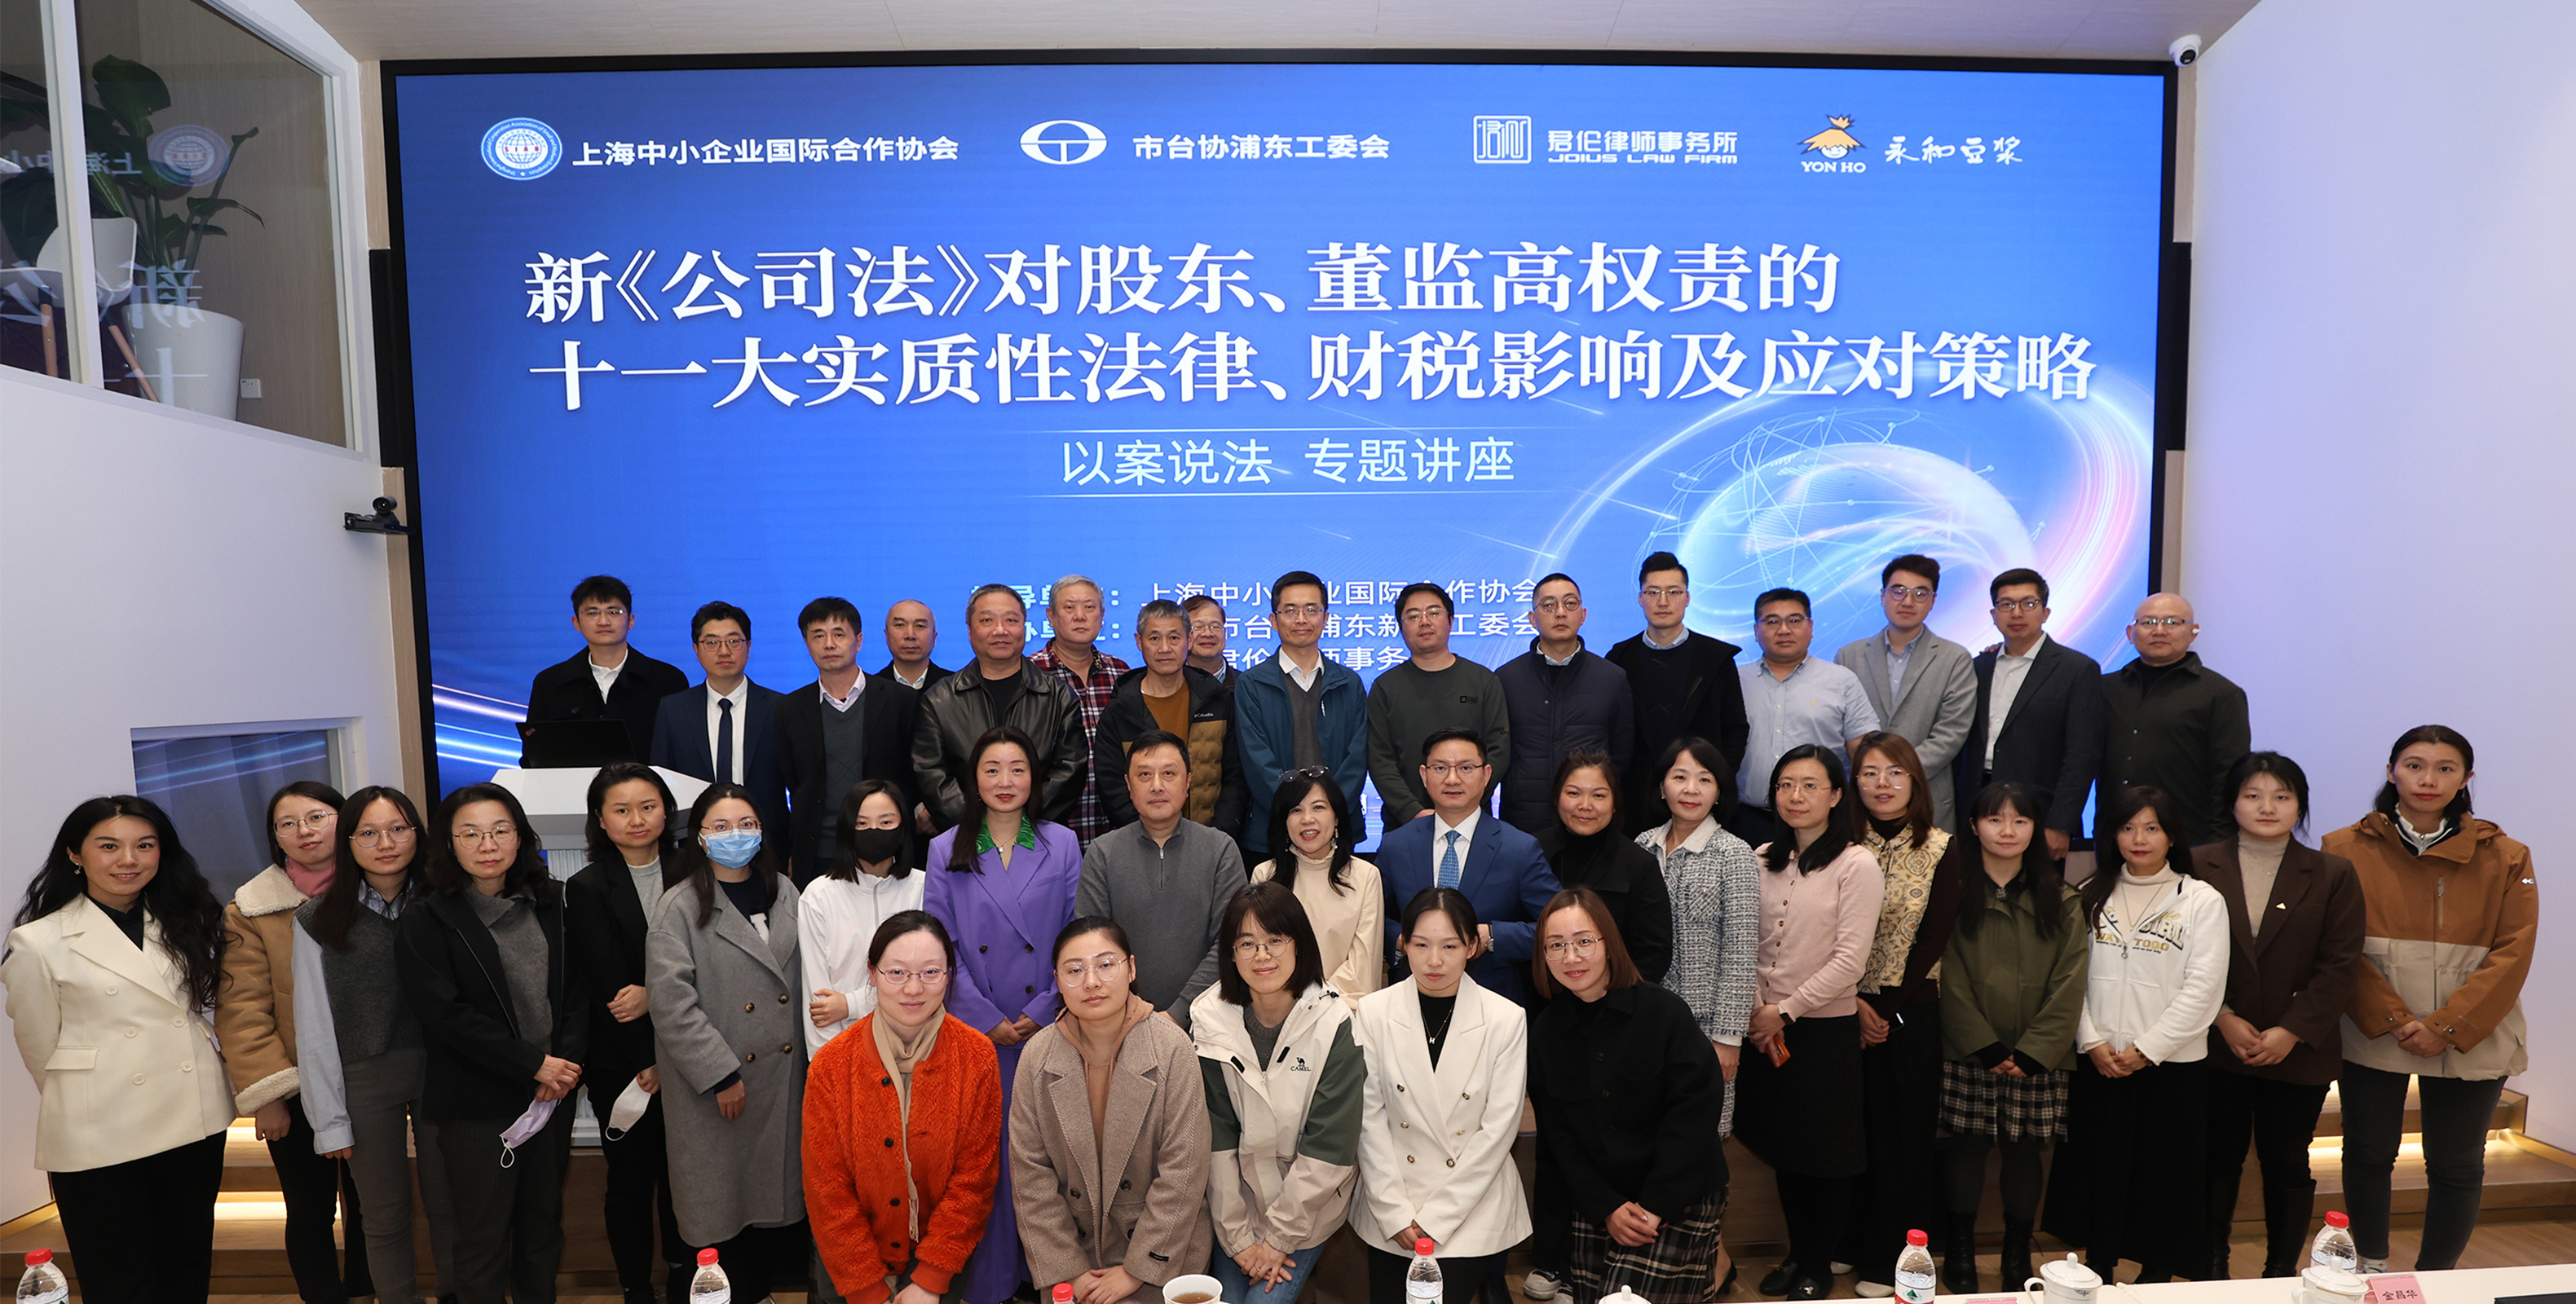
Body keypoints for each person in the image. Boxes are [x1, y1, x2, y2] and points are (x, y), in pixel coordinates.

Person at [3, 796, 232, 1303]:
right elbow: (40, 1047)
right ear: (75, 854)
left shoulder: (185, 918)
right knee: (118, 1274)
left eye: (144, 846)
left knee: (187, 1262)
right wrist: (86, 1093)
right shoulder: (37, 941)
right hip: (97, 1127)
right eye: (109, 846)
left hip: (193, 1113)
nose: (128, 859)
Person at [2327, 725, 2536, 1275]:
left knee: (2457, 1164)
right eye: (2415, 765)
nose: (2429, 779)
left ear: (2466, 779)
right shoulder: (2342, 848)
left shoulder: (2507, 856)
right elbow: (2338, 945)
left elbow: (2513, 952)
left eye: (2446, 768)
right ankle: (2370, 1267)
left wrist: (2445, 1025)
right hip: (2373, 1026)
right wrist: (2395, 1018)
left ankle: (2435, 1282)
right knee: (2368, 1152)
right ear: (2392, 771)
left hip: (2473, 1029)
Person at [396, 782, 587, 1304]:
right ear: (449, 843)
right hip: (477, 1101)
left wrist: (563, 1067)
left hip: (551, 1095)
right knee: (482, 1239)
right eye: (471, 834)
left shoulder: (552, 903)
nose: (488, 844)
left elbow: (577, 992)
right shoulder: (427, 916)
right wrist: (532, 1064)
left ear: (520, 837)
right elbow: (445, 1014)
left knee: (542, 1228)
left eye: (501, 830)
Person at [922, 725, 1085, 1304]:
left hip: (1048, 1025)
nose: (1005, 781)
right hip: (979, 1032)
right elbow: (940, 946)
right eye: (992, 769)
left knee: (1049, 1160)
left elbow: (1075, 936)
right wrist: (983, 1014)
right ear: (974, 779)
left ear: (1034, 778)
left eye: (1018, 769)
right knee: (987, 1162)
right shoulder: (947, 848)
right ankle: (991, 1285)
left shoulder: (1062, 843)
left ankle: (1049, 1279)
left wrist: (1043, 1007)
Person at [2040, 785, 2227, 1286]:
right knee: (2098, 1169)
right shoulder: (2088, 893)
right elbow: (2068, 980)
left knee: (2163, 1175)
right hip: (2099, 1061)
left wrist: (2147, 1050)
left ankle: (2156, 1276)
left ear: (2172, 836)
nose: (2139, 839)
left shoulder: (2201, 900)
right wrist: (2091, 1041)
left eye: (2152, 828)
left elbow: (2204, 989)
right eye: (2127, 828)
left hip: (2170, 1066)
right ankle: (2097, 1266)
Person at [2198, 752, 2366, 1280]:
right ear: (2232, 803)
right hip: (2214, 1044)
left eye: (2281, 796)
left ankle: (2279, 1272)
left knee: (2287, 1160)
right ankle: (2211, 1268)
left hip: (2298, 1050)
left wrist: (2291, 1031)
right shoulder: (2197, 865)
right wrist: (2222, 1017)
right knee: (2215, 1158)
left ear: (2300, 805)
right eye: (2253, 795)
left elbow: (2341, 964)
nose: (2266, 807)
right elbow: (2181, 956)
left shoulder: (2333, 873)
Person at [295, 786, 463, 1304]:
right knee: (383, 1213)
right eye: (367, 833)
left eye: (397, 829)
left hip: (446, 1070)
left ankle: (458, 1295)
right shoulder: (318, 918)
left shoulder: (449, 904)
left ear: (418, 834)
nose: (385, 843)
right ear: (347, 842)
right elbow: (313, 1022)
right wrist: (327, 1118)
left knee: (452, 1203)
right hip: (365, 1076)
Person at [1731, 746, 1885, 1302]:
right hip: (1764, 1027)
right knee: (1785, 1147)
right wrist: (1759, 1008)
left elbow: (1850, 961)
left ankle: (1819, 1263)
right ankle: (1796, 1254)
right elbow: (1745, 940)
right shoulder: (1761, 857)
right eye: (1785, 785)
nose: (1796, 796)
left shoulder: (1857, 864)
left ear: (1837, 796)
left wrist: (1784, 1010)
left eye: (1810, 785)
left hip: (1821, 1030)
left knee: (1825, 1155)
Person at [646, 782, 809, 1300]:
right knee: (718, 1214)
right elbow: (671, 1005)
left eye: (746, 824)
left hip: (781, 1081)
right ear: (699, 837)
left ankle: (759, 1293)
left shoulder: (786, 892)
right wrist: (721, 1074)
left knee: (766, 1210)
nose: (735, 835)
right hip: (716, 1088)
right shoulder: (678, 906)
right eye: (720, 826)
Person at [1529, 887, 1729, 1304]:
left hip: (1677, 1195)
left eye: (1584, 941)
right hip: (1601, 1203)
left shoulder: (1664, 1013)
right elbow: (1559, 1136)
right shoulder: (1547, 1032)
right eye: (1556, 945)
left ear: (1610, 943)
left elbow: (1694, 1115)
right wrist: (1606, 1206)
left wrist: (1654, 1206)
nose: (1571, 957)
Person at [218, 779, 373, 1304]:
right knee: (309, 1208)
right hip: (298, 1084)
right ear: (275, 837)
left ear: (344, 820)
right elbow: (242, 1010)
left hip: (369, 1077)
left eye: (317, 817)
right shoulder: (250, 909)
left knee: (372, 1204)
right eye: (288, 824)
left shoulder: (378, 890)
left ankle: (364, 1291)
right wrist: (269, 1095)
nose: (304, 831)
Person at [1010, 918, 1214, 1304]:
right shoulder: (1037, 1056)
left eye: (1106, 965)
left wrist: (1138, 1269)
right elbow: (1030, 1177)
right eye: (1074, 970)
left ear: (1131, 969)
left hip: (1163, 1254)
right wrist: (1069, 1270)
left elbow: (1184, 1172)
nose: (1091, 982)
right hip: (1074, 1257)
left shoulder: (1172, 1048)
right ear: (1057, 980)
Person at [1934, 782, 2087, 1295]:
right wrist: (1983, 1044)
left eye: (2020, 820)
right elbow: (1946, 971)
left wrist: (2035, 1050)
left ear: (2035, 830)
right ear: (1973, 826)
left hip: (2037, 1054)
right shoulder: (1952, 892)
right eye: (1995, 819)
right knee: (1965, 1148)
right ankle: (1959, 1248)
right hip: (1969, 1048)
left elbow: (2071, 980)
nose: (2007, 830)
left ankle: (2017, 1250)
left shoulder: (2062, 898)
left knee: (2025, 1152)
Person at [805, 911, 1003, 1304]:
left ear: (949, 975)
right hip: (849, 1267)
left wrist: (930, 1279)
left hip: (939, 1261)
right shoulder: (831, 1065)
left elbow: (974, 1179)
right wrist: (866, 1289)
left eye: (930, 972)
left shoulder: (977, 1057)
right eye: (897, 972)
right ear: (872, 973)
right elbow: (826, 1188)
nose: (914, 988)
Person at [1190, 883, 1368, 1304]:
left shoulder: (1334, 1022)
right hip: (1236, 1209)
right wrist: (1239, 1240)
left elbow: (1330, 1148)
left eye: (1275, 941)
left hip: (1307, 1210)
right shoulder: (1209, 1019)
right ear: (1231, 953)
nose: (1262, 956)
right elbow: (1216, 1139)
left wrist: (1278, 1241)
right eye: (1246, 944)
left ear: (1299, 944)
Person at [1351, 888, 1531, 1304]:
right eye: (1421, 945)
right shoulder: (1374, 1012)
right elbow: (1368, 1118)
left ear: (1472, 946)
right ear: (1404, 945)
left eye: (1449, 946)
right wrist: (1395, 1212)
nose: (1434, 961)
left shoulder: (1505, 1019)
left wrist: (1438, 1217)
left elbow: (1498, 1131)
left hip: (1470, 1209)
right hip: (1393, 1206)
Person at [1843, 734, 1966, 1299]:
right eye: (1870, 772)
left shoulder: (1941, 847)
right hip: (1841, 1006)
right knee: (1851, 1131)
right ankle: (1847, 1241)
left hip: (1909, 1010)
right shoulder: (1843, 843)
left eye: (1895, 772)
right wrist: (1856, 1006)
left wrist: (1883, 1011)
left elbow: (1934, 938)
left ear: (1916, 781)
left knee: (1903, 1137)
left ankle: (1890, 1256)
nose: (1883, 784)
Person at [563, 763, 687, 1304]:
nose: (637, 819)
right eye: (621, 809)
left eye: (647, 806)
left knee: (687, 1178)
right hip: (623, 1063)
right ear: (601, 819)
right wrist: (648, 1061)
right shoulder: (586, 887)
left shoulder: (695, 871)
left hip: (689, 1055)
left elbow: (711, 965)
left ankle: (686, 1276)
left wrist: (655, 995)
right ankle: (637, 1286)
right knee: (631, 1181)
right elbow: (608, 988)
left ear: (666, 811)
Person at [1077, 729, 1251, 1029]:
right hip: (1121, 1022)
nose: (1157, 785)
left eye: (1169, 773)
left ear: (1188, 782)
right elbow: (1091, 946)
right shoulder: (1102, 853)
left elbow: (1230, 941)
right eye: (1144, 775)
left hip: (1210, 1022)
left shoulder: (1220, 849)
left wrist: (1178, 1014)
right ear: (1128, 785)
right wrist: (1132, 1013)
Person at [1375, 729, 1562, 1006]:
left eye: (1465, 768)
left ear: (1486, 775)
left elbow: (1558, 928)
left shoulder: (1519, 849)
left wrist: (1493, 937)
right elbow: (1372, 916)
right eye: (1440, 768)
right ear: (1424, 776)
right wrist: (1401, 939)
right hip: (1410, 998)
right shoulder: (1397, 845)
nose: (1452, 779)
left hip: (1491, 1000)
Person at [911, 584, 1086, 831]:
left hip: (1038, 836)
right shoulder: (940, 699)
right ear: (970, 630)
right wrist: (981, 828)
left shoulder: (1058, 696)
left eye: (1011, 620)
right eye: (987, 620)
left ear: (1024, 627)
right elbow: (932, 774)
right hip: (965, 837)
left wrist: (1020, 827)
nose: (1000, 630)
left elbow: (1070, 770)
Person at [779, 596, 925, 885]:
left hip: (886, 848)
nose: (829, 644)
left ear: (858, 641)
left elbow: (911, 774)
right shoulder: (789, 708)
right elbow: (794, 780)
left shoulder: (899, 700)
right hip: (819, 851)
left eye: (838, 634)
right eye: (818, 636)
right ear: (807, 644)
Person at [1957, 570, 2102, 862]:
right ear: (1994, 614)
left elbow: (2082, 756)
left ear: (2045, 612)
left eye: (2028, 603)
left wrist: (2061, 824)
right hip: (1975, 808)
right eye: (2006, 605)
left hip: (2038, 812)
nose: (2017, 613)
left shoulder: (2077, 669)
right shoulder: (1977, 667)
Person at [1607, 552, 1749, 835]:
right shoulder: (1619, 659)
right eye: (1653, 592)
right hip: (1635, 798)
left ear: (1687, 598)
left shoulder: (1716, 658)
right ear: (1640, 598)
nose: (1663, 601)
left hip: (1699, 798)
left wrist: (1715, 780)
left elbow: (1735, 728)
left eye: (1673, 592)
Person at [1833, 556, 1978, 832]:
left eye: (1920, 593)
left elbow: (1952, 733)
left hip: (1927, 796)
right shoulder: (1849, 656)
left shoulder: (1954, 658)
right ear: (1883, 596)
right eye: (1898, 591)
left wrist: (1896, 774)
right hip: (1862, 799)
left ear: (1933, 600)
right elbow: (1841, 728)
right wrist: (1872, 776)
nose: (1908, 601)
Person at [1235, 570, 1370, 860]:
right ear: (1274, 620)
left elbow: (1357, 758)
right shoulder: (1251, 684)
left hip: (1338, 831)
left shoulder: (1349, 683)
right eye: (1290, 611)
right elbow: (1256, 760)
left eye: (1311, 610)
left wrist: (1327, 812)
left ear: (1326, 618)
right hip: (1272, 832)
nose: (1301, 619)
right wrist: (1296, 811)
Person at [1731, 588, 1880, 848]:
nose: (1784, 630)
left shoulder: (1841, 681)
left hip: (1822, 822)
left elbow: (1863, 753)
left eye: (1794, 620)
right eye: (1772, 621)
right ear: (1756, 631)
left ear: (1811, 627)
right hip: (1747, 820)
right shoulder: (1734, 681)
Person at [2097, 594, 2251, 845]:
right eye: (2148, 622)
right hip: (2114, 837)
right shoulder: (2104, 689)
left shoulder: (2221, 694)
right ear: (2130, 633)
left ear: (2193, 632)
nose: (2159, 630)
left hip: (2189, 839)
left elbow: (2229, 776)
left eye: (2172, 622)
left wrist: (2220, 845)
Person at [1096, 599, 1248, 838]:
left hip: (1213, 842)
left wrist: (1218, 839)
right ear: (1139, 642)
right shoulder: (1119, 711)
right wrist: (1150, 839)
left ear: (1189, 640)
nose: (1164, 648)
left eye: (1174, 638)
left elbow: (1235, 777)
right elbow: (1112, 787)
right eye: (1154, 638)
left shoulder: (1217, 700)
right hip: (1141, 844)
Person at [1497, 573, 1636, 834]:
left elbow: (1622, 754)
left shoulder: (1611, 678)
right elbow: (1497, 751)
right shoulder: (1505, 679)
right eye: (1549, 605)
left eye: (1570, 604)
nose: (1560, 613)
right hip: (1523, 822)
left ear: (1583, 615)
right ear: (1532, 618)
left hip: (1589, 820)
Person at [1367, 583, 1512, 826]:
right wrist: (1411, 810)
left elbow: (1498, 750)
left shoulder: (1483, 681)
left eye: (1434, 613)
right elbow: (1380, 760)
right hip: (1406, 824)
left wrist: (1465, 804)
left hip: (1473, 820)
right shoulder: (1385, 687)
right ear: (1400, 628)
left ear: (1451, 621)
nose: (1424, 622)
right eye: (1413, 616)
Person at [801, 779, 927, 1055]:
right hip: (843, 1052)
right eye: (862, 824)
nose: (874, 831)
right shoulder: (818, 896)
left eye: (886, 822)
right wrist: (826, 1065)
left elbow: (925, 985)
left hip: (918, 1046)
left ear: (903, 827)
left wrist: (850, 1004)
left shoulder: (926, 888)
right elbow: (819, 1005)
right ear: (846, 829)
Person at [651, 599, 791, 839]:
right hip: (695, 840)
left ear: (749, 647)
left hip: (768, 840)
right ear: (696, 650)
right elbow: (661, 782)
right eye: (712, 642)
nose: (724, 651)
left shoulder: (780, 707)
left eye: (734, 642)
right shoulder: (673, 709)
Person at [1248, 768, 1384, 1007]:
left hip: (1344, 1010)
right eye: (1296, 810)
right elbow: (1261, 957)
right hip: (1280, 1010)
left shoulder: (1366, 877)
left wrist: (1317, 1007)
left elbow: (1363, 968)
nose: (1307, 819)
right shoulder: (1265, 875)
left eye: (1318, 807)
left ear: (1337, 817)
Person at [1537, 750, 1672, 983]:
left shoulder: (1639, 864)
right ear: (1557, 797)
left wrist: (1611, 994)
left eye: (1598, 795)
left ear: (1615, 803)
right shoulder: (1532, 852)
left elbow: (1654, 954)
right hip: (1540, 994)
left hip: (1614, 995)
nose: (1585, 805)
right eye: (1574, 793)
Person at [524, 575, 690, 762]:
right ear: (576, 622)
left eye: (614, 612)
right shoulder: (550, 683)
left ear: (631, 620)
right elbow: (532, 755)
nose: (603, 621)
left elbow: (682, 754)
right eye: (592, 613)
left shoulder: (668, 680)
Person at [1030, 575, 1132, 848]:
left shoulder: (1120, 673)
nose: (1080, 616)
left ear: (1102, 615)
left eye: (1089, 607)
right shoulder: (1029, 674)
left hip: (1116, 831)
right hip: (1047, 829)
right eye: (1069, 607)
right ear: (1050, 616)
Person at [883, 598, 953, 692]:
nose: (910, 635)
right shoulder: (869, 689)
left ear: (934, 637)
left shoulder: (955, 688)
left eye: (920, 626)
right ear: (887, 636)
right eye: (900, 625)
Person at [1184, 592, 1237, 685]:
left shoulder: (1245, 685)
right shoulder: (1166, 684)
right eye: (1198, 627)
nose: (1208, 634)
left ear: (1225, 632)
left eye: (1215, 626)